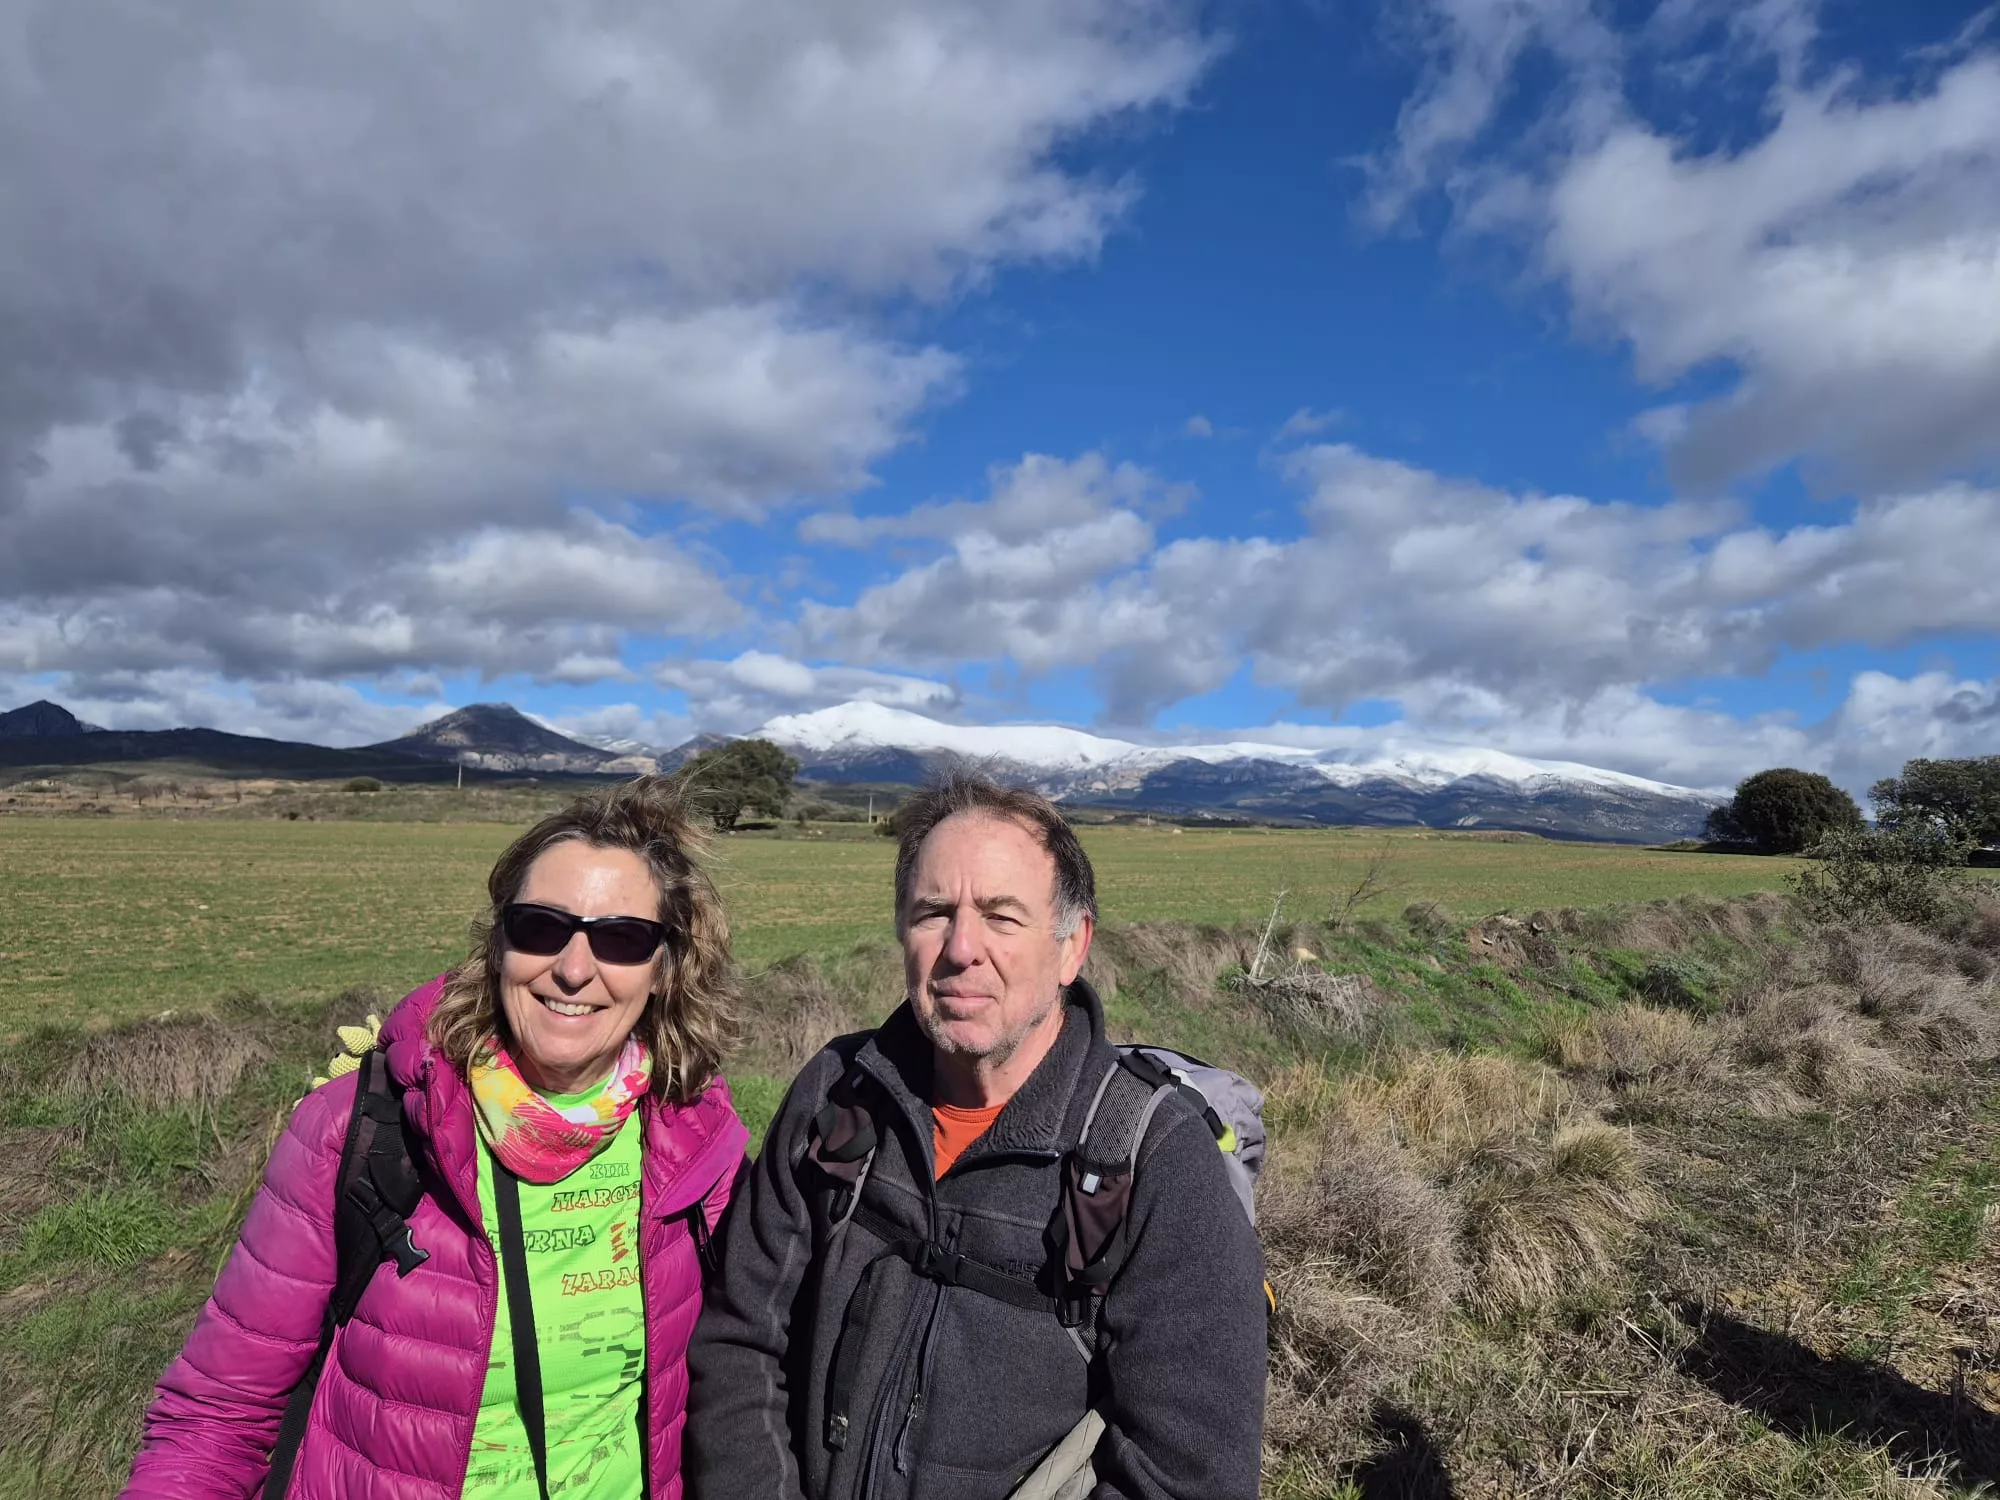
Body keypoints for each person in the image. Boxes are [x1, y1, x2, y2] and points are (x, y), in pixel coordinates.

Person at [124, 775, 750, 1500]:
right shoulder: (360, 1130)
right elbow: (218, 1414)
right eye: (541, 927)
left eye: (621, 940)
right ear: (498, 942)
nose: (574, 971)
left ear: (664, 967)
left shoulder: (699, 1143)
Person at [685, 771, 1266, 1500]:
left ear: (1071, 946)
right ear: (902, 929)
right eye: (934, 912)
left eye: (1001, 915)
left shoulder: (1152, 1161)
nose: (962, 948)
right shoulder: (836, 1095)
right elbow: (739, 1342)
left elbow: (1187, 1478)